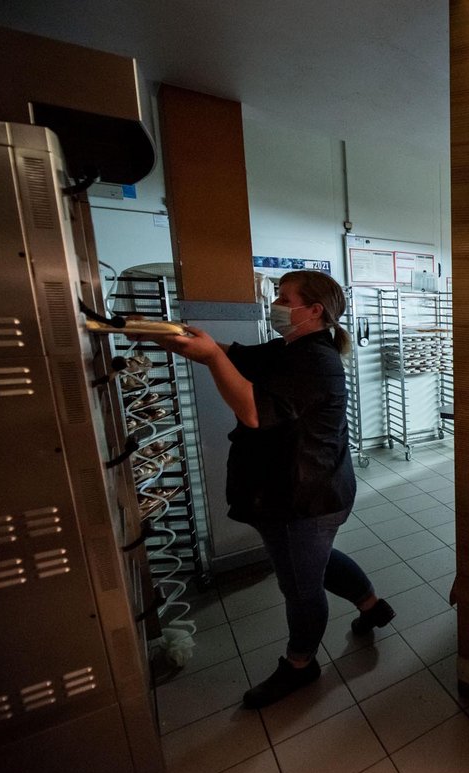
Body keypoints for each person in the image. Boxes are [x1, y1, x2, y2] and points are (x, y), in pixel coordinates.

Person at [149, 270, 394, 707]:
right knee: (312, 561)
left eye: (284, 298)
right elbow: (239, 358)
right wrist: (199, 348)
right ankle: (372, 605)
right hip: (303, 489)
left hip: (305, 496)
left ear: (313, 310)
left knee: (301, 587)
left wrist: (210, 359)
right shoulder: (289, 347)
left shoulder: (316, 360)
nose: (276, 304)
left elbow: (253, 411)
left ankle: (301, 665)